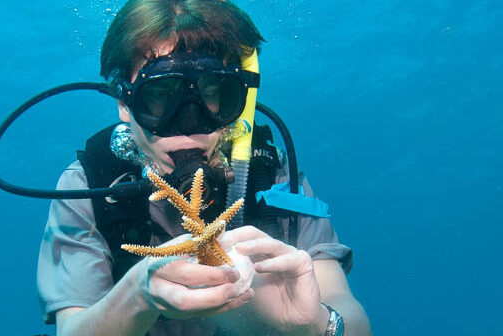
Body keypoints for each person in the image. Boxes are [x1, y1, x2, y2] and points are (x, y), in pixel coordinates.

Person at [37, 0, 371, 335]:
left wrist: (317, 324)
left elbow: (351, 317)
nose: (189, 124)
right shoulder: (91, 186)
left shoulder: (274, 179)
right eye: (159, 96)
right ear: (124, 103)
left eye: (213, 92)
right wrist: (139, 293)